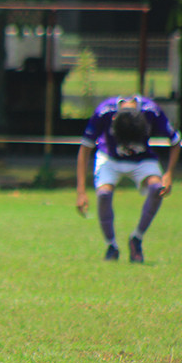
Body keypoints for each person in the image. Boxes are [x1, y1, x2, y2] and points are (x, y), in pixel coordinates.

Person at [76, 95, 179, 263]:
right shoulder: (104, 111)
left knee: (156, 189)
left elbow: (176, 141)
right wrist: (81, 191)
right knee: (103, 195)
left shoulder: (151, 111)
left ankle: (136, 239)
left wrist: (168, 174)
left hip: (142, 158)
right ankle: (111, 246)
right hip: (110, 156)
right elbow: (85, 147)